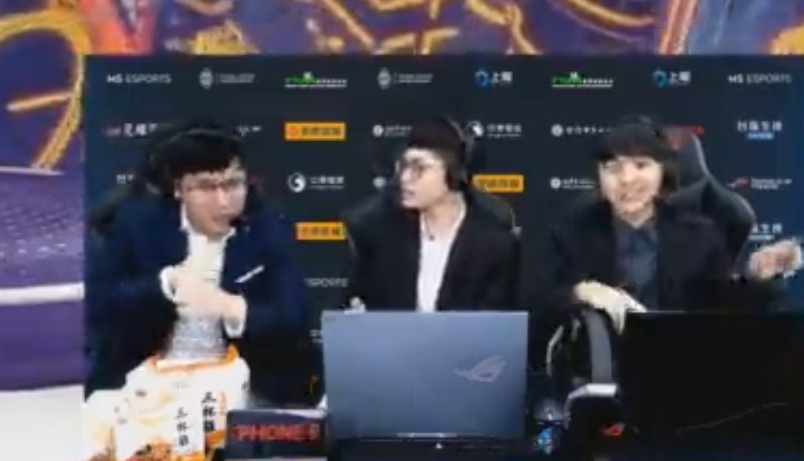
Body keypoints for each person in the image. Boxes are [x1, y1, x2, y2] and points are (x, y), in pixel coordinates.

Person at [85, 120, 313, 407]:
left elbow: (294, 318)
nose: (223, 201)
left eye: (233, 184)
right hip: (148, 388)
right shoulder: (135, 224)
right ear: (178, 188)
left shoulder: (268, 226)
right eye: (206, 187)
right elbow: (99, 306)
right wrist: (165, 285)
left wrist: (230, 307)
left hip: (242, 391)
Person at [528, 117, 802, 338]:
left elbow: (723, 309)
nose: (626, 179)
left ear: (663, 173)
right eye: (612, 167)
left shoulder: (699, 235)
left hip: (675, 362)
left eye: (641, 165)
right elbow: (539, 304)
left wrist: (762, 277)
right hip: (597, 365)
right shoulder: (572, 230)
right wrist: (580, 292)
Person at [345, 118, 520, 312]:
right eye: (403, 166)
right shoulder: (379, 236)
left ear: (454, 173)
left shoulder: (495, 246)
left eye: (419, 168)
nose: (405, 178)